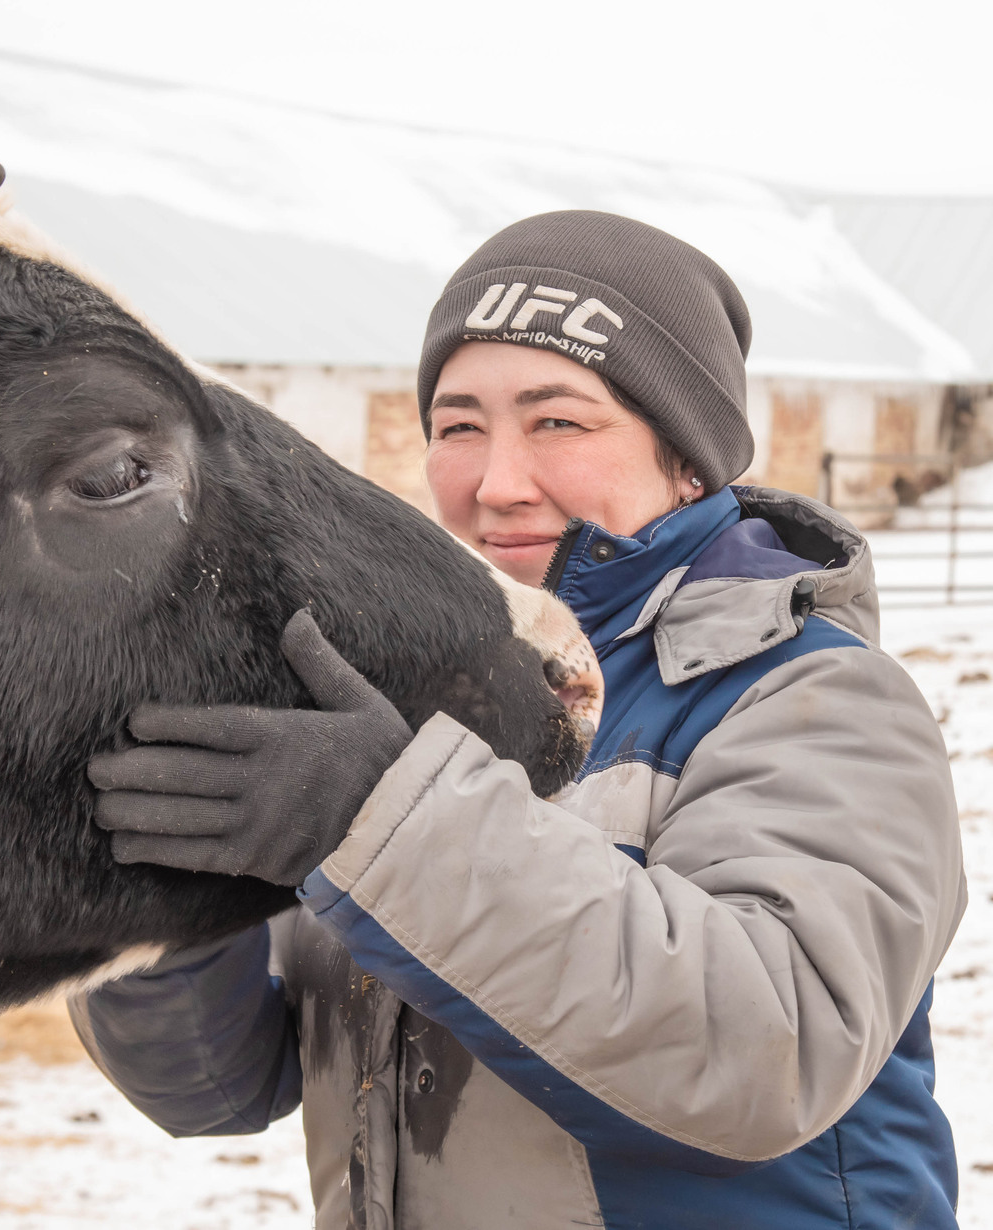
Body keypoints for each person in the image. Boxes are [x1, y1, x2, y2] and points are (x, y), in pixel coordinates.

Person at [71, 211, 967, 1229]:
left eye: (558, 422)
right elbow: (217, 1089)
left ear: (687, 458)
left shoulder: (816, 700)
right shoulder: (397, 705)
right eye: (458, 426)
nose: (495, 483)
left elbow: (766, 1057)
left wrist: (381, 824)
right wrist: (161, 894)